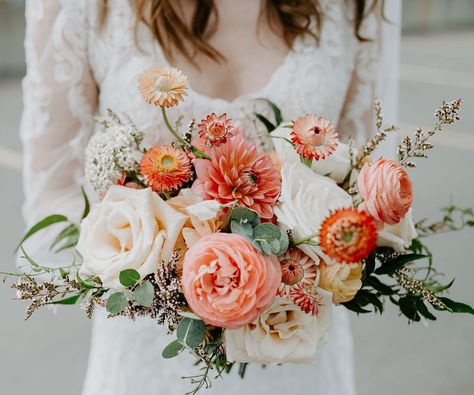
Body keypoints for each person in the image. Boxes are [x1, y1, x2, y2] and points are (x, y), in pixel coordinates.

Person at [20, 1, 400, 394]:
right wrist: (171, 282)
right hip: (151, 354)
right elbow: (56, 191)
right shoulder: (81, 8)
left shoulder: (355, 7)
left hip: (294, 342)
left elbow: (363, 181)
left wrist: (285, 273)